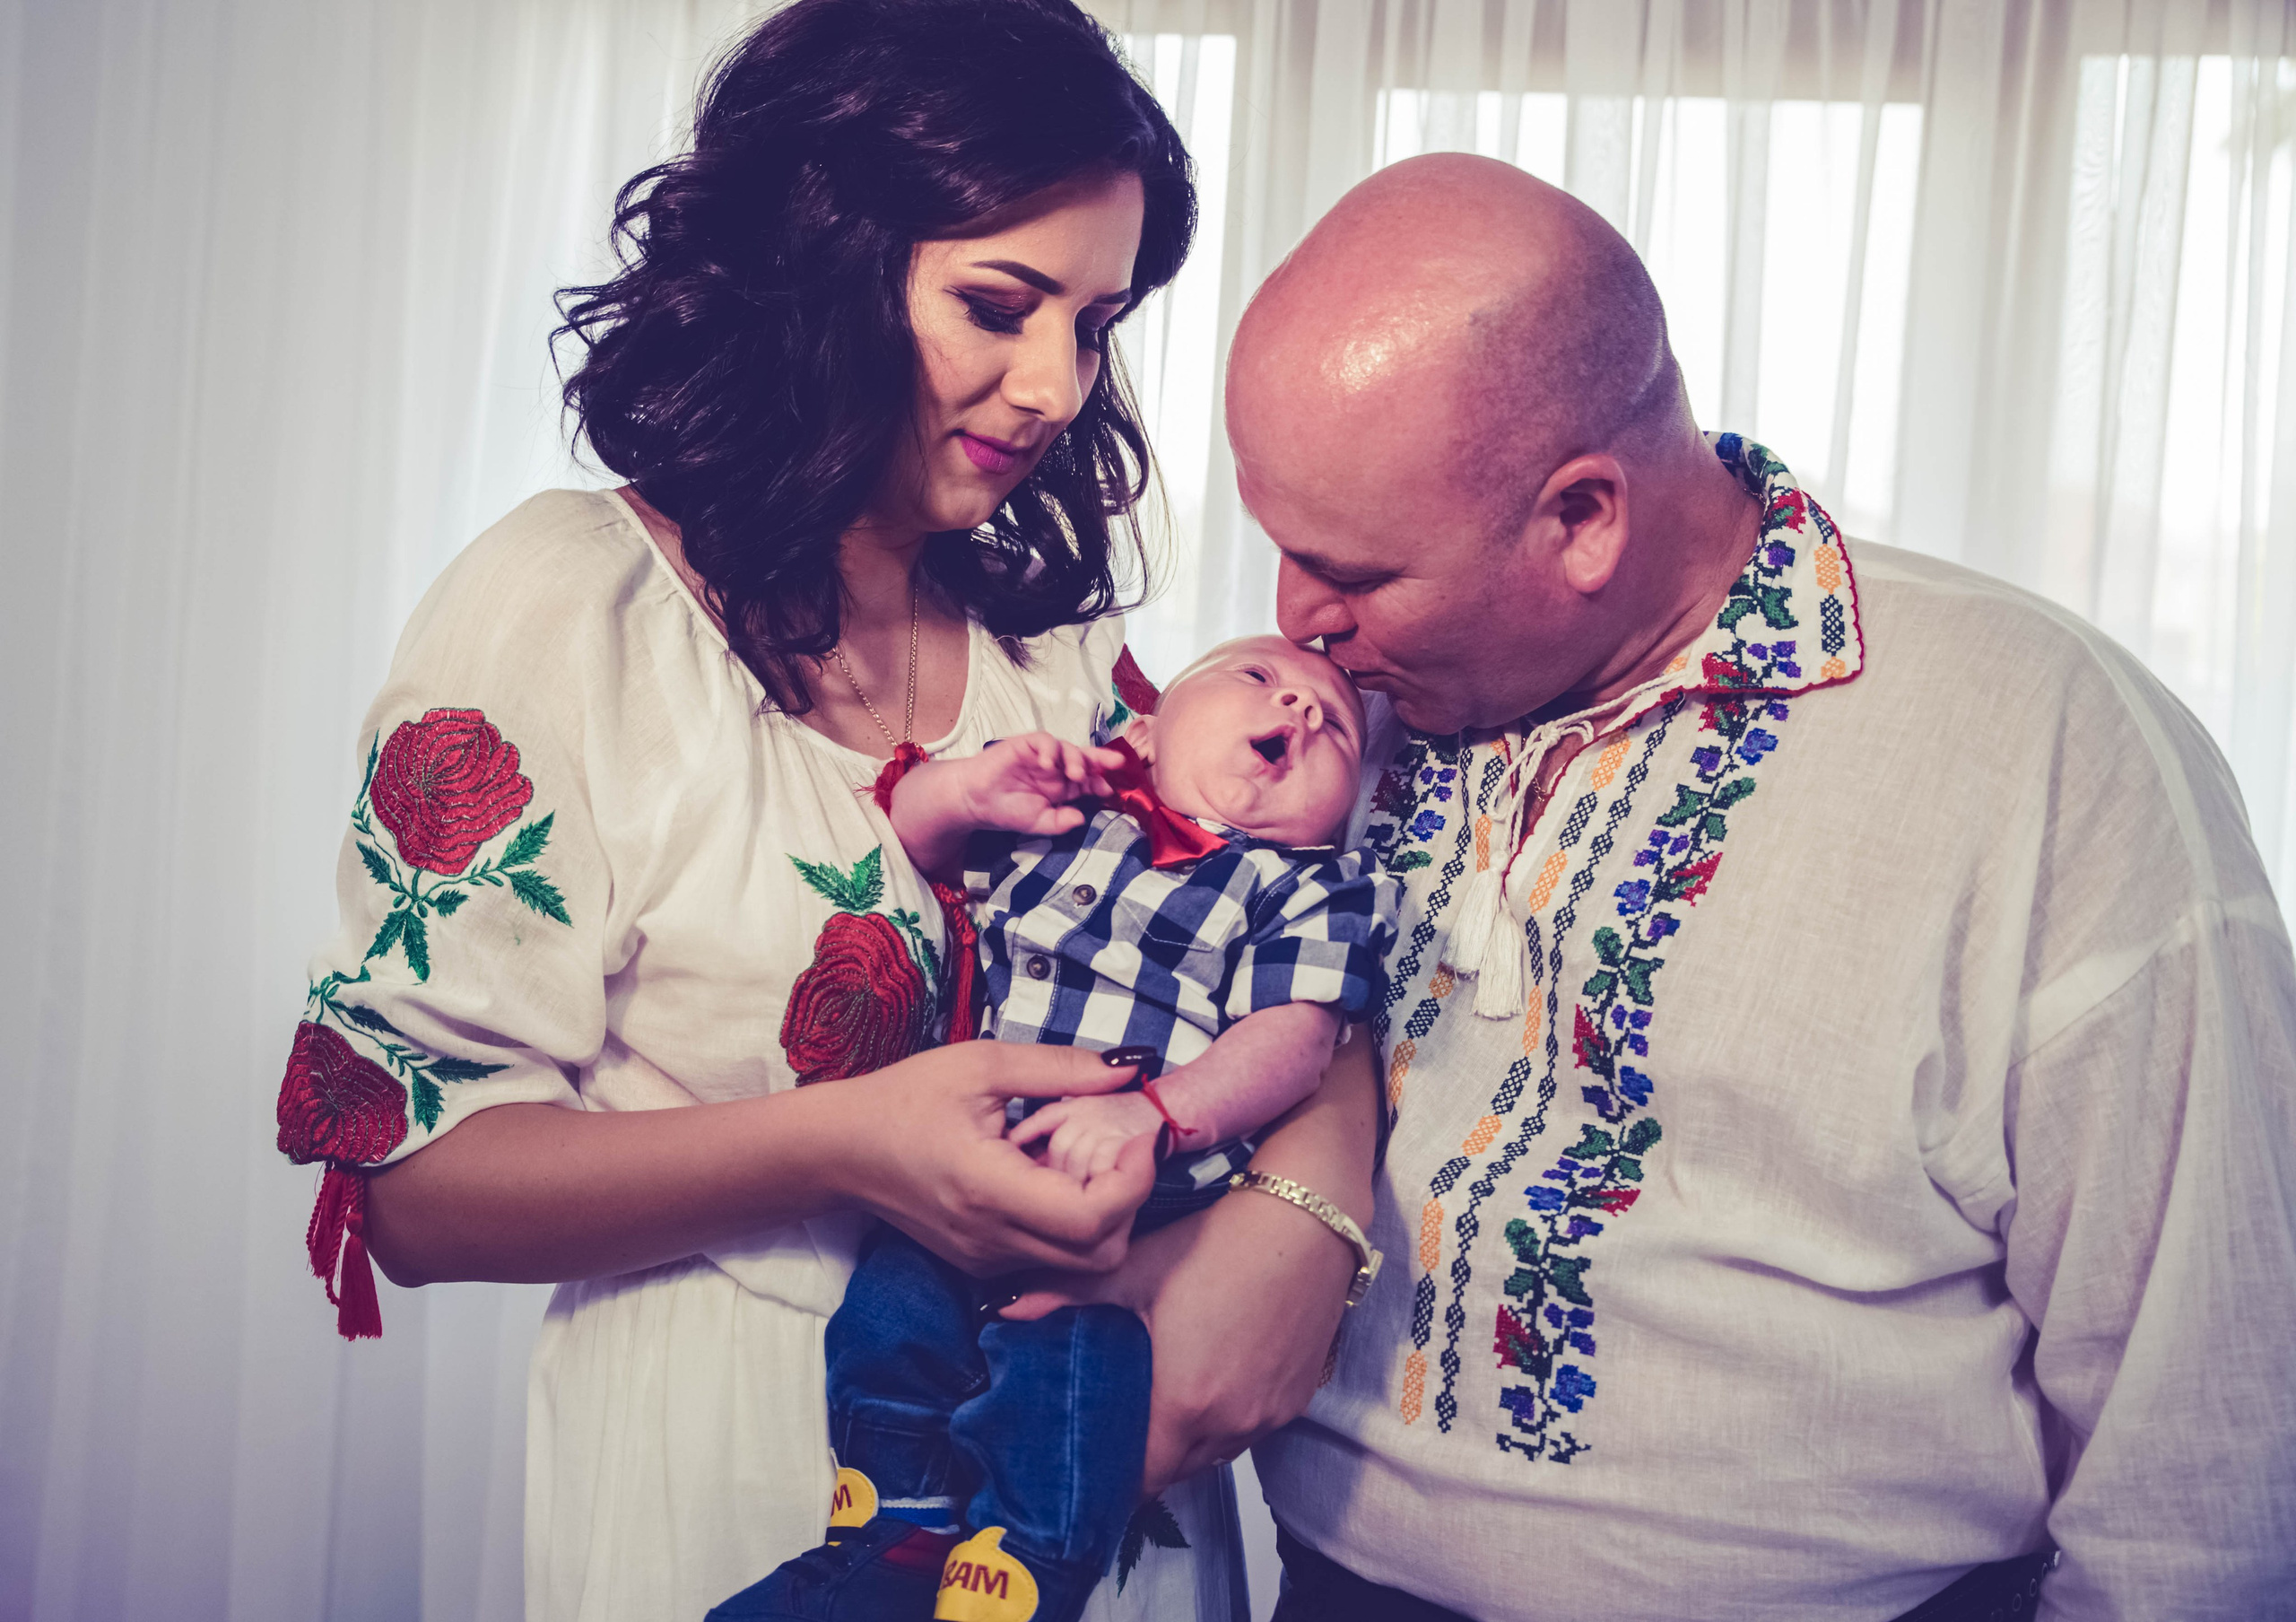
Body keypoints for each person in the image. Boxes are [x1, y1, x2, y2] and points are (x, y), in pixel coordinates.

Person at [264, 4, 1360, 1616]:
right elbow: (411, 1187)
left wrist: (1300, 1228)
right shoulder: (573, 607)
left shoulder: (1056, 653)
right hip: (724, 1474)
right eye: (1001, 303)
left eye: (1098, 323)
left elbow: (1279, 941)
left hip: (1081, 1483)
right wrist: (851, 1143)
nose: (1057, 385)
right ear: (819, 261)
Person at [1198, 154, 2291, 1618]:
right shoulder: (1333, 717)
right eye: (1277, 545)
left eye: (1352, 570)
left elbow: (2203, 1424)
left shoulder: (2046, 742)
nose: (1295, 619)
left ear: (1582, 518)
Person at [718, 637, 1396, 1621]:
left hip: (1139, 1183)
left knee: (1067, 1362)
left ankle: (1028, 1560)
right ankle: (888, 1525)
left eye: (1330, 722)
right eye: (1257, 680)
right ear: (1145, 725)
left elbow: (1292, 1040)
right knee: (889, 1311)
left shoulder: (1305, 885)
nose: (1295, 710)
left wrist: (1159, 1112)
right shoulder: (1068, 815)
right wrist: (963, 791)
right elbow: (912, 845)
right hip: (970, 1162)